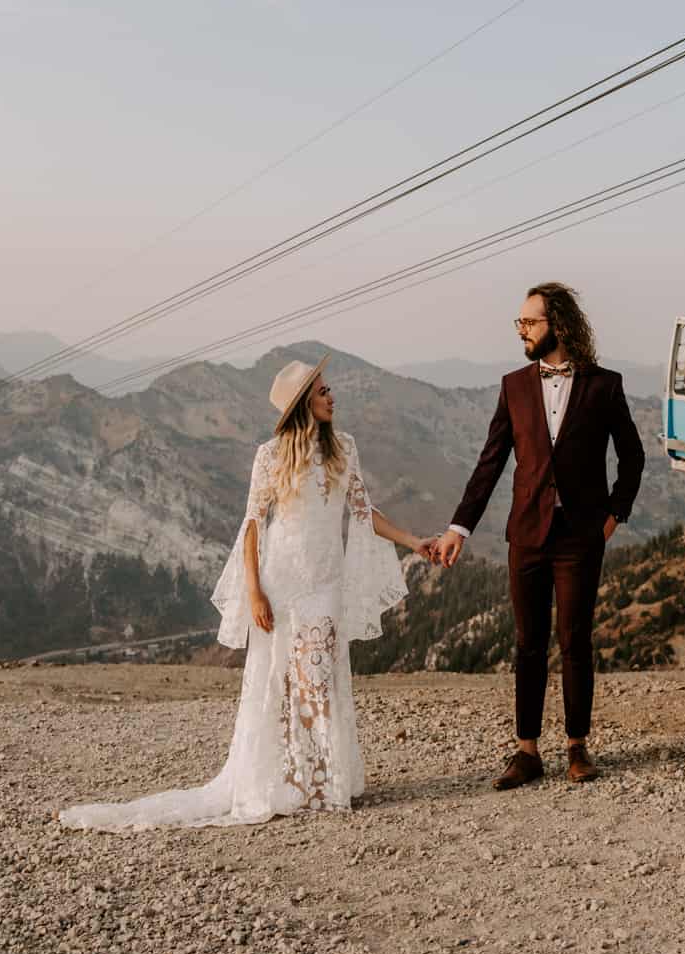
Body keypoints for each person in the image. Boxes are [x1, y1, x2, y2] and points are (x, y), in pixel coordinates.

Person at [58, 356, 432, 832]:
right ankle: (286, 780)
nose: (332, 396)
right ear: (303, 404)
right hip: (281, 579)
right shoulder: (270, 456)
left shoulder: (345, 449)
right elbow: (253, 525)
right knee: (278, 681)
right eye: (322, 391)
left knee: (319, 676)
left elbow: (363, 511)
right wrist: (254, 591)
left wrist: (413, 542)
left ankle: (322, 781)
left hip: (325, 580)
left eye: (328, 389)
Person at [432, 282, 645, 789]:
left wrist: (613, 517)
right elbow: (490, 463)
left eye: (529, 322)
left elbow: (633, 457)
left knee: (574, 641)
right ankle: (527, 752)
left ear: (559, 325)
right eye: (520, 323)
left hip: (580, 536)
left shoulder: (604, 385)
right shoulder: (514, 386)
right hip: (526, 533)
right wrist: (459, 526)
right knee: (528, 643)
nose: (521, 331)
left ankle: (577, 747)